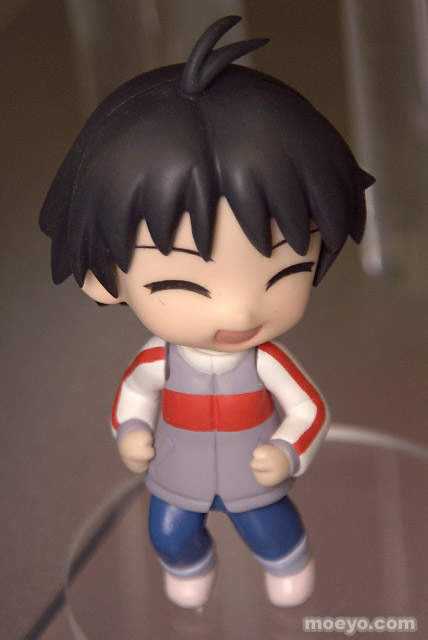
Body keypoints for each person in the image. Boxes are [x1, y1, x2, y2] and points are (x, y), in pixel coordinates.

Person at [40, 16, 374, 608]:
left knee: (272, 530)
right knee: (168, 532)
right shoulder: (158, 360)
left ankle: (289, 564)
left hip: (252, 474)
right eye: (183, 283)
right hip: (178, 471)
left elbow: (309, 409)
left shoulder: (268, 361)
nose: (240, 308)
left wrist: (288, 451)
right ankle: (190, 567)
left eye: (283, 271)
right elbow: (133, 395)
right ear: (103, 277)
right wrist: (132, 431)